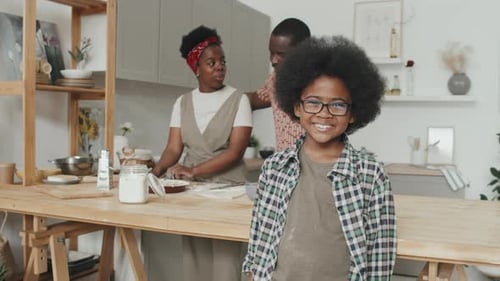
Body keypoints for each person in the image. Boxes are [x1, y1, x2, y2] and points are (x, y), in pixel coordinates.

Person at [243, 36, 397, 281]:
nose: (324, 115)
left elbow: (380, 255)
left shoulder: (370, 174)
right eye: (313, 102)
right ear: (297, 107)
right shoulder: (274, 168)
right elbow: (259, 237)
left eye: (337, 105)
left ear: (353, 113)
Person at [152, 25, 252, 281]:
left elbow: (236, 151)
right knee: (195, 260)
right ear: (196, 68)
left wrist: (193, 170)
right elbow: (174, 148)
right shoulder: (182, 102)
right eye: (211, 62)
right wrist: (152, 174)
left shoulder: (238, 100)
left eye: (222, 61)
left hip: (228, 192)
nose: (220, 66)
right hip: (193, 192)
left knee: (225, 263)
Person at [246, 18, 311, 151]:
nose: (273, 60)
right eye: (271, 53)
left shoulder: (322, 83)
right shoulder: (275, 79)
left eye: (281, 54)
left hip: (314, 167)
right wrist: (223, 98)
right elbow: (254, 99)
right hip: (286, 166)